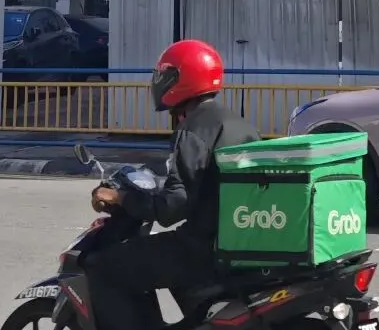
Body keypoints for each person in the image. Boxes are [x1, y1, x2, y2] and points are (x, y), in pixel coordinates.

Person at [85, 39, 258, 330]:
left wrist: (121, 198)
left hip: (202, 248)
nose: (160, 83)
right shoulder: (237, 123)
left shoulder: (193, 129)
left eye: (166, 76)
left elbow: (172, 208)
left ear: (182, 79)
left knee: (103, 268)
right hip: (235, 241)